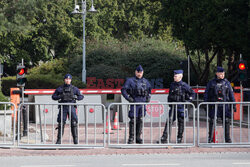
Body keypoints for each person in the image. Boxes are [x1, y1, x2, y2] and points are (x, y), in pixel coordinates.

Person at [159, 70, 195, 144]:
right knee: (169, 121)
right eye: (174, 76)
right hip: (173, 107)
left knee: (181, 123)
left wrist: (188, 101)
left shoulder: (185, 86)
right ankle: (164, 137)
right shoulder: (172, 84)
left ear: (180, 76)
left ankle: (179, 138)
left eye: (175, 76)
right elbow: (170, 95)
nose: (174, 77)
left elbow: (193, 93)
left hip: (181, 107)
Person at [121, 65, 151, 144]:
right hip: (134, 102)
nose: (139, 74)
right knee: (133, 120)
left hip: (142, 103)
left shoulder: (146, 81)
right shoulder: (130, 81)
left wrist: (149, 97)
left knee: (140, 120)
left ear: (143, 72)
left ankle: (138, 137)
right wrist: (128, 98)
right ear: (135, 72)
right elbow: (123, 90)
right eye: (138, 72)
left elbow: (149, 90)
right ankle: (131, 138)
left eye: (140, 72)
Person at [204, 66, 235, 143]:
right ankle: (210, 138)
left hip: (225, 105)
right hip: (214, 105)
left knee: (226, 121)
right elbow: (206, 94)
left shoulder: (227, 83)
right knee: (212, 121)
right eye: (220, 73)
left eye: (223, 73)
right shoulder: (211, 83)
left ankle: (227, 138)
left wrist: (233, 104)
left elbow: (231, 94)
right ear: (217, 73)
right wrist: (205, 103)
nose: (222, 75)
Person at [52, 74, 84, 144]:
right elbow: (53, 96)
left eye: (69, 79)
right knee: (61, 123)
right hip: (63, 107)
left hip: (71, 106)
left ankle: (75, 140)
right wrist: (60, 96)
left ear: (71, 80)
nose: (67, 80)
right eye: (66, 79)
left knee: (74, 123)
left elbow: (81, 96)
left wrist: (76, 97)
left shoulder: (74, 88)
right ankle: (59, 140)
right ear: (64, 80)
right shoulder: (60, 88)